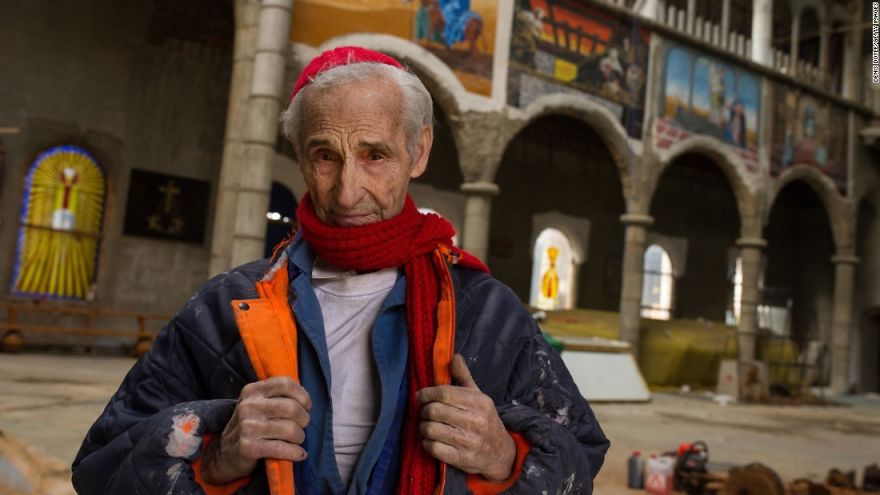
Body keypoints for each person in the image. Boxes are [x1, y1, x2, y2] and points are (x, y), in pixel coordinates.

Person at [71, 46, 609, 495]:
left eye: (375, 155)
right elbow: (100, 465)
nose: (348, 192)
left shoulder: (486, 310)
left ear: (418, 151)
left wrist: (503, 456)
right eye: (326, 156)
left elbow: (580, 456)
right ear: (301, 156)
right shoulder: (225, 307)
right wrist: (212, 455)